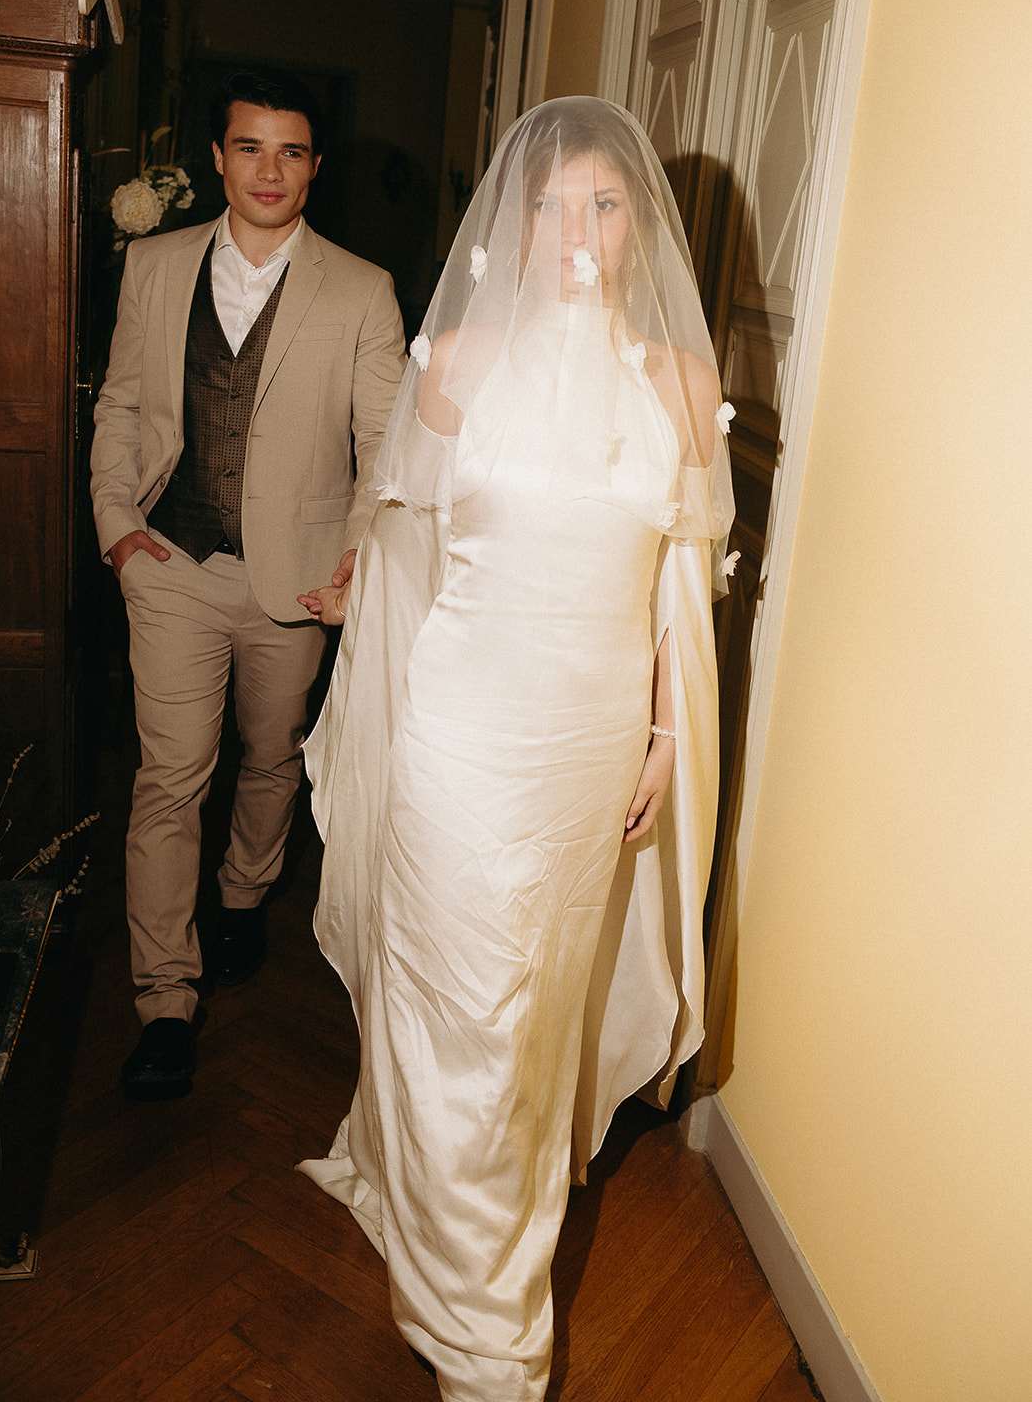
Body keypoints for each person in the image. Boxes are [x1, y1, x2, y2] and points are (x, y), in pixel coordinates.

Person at [297, 97, 736, 1400]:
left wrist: (665, 734)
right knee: (459, 1007)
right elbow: (406, 556)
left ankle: (465, 1228)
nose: (579, 233)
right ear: (516, 220)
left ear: (637, 224)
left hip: (587, 748)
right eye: (553, 207)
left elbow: (681, 596)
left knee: (531, 1015)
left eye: (605, 206)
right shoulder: (457, 360)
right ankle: (486, 1336)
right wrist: (363, 661)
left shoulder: (676, 381)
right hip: (460, 736)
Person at [90, 68, 405, 1100]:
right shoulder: (153, 265)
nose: (269, 170)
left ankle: (241, 893)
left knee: (272, 756)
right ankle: (164, 1000)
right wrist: (118, 529)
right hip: (171, 564)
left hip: (298, 583)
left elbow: (384, 447)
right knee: (169, 777)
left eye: (290, 151)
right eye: (249, 147)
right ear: (218, 158)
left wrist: (355, 559)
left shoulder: (361, 289)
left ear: (315, 167)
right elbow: (121, 405)